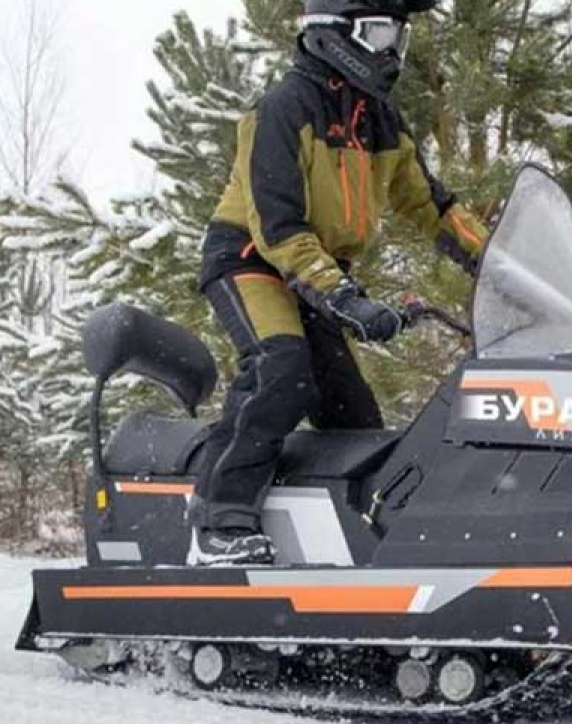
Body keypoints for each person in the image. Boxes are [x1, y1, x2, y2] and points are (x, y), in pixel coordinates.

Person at [188, 0, 490, 566]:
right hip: (253, 258)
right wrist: (344, 297)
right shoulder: (281, 110)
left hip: (318, 273)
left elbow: (430, 203)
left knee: (351, 415)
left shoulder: (380, 120)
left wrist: (498, 261)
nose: (393, 50)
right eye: (380, 32)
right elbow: (277, 226)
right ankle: (217, 521)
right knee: (282, 368)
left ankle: (343, 540)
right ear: (333, 34)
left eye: (399, 35)